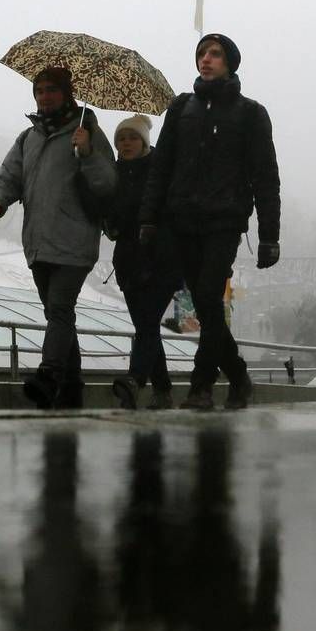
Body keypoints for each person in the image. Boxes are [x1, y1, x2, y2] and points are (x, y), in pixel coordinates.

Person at [138, 33, 281, 410]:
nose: (206, 59)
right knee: (205, 305)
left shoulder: (250, 113)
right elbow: (161, 168)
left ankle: (202, 385)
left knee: (206, 295)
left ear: (230, 62)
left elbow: (265, 177)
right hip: (181, 219)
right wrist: (149, 218)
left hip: (224, 220)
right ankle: (236, 374)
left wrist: (270, 236)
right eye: (201, 53)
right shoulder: (182, 108)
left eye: (215, 54)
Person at [0, 66, 116, 408]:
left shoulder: (87, 131)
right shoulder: (29, 137)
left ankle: (49, 376)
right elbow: (8, 175)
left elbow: (107, 184)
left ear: (67, 93)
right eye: (39, 90)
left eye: (52, 89)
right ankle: (72, 389)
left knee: (59, 308)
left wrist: (86, 152)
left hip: (76, 239)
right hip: (38, 241)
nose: (45, 96)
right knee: (58, 315)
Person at [106, 114, 179, 410]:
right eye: (121, 138)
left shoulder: (162, 170)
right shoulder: (113, 173)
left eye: (132, 137)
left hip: (163, 259)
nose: (126, 143)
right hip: (128, 262)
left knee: (147, 323)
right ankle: (162, 390)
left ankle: (136, 379)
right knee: (146, 326)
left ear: (145, 141)